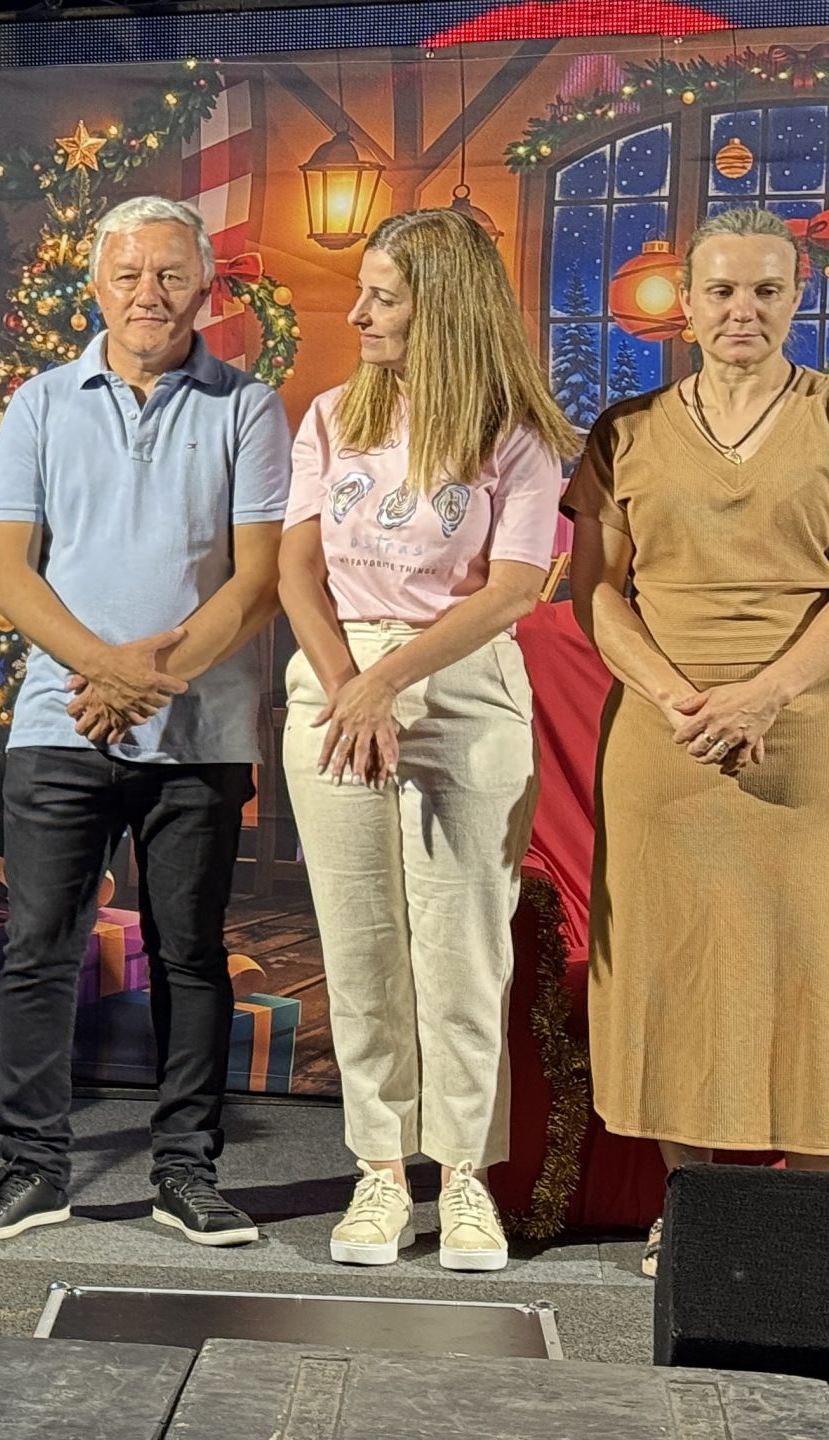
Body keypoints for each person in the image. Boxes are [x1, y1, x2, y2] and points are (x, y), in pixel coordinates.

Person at [0, 195, 289, 1248]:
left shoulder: (248, 407)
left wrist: (154, 679)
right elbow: (8, 573)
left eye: (171, 275)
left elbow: (258, 582)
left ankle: (185, 1173)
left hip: (201, 736)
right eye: (129, 274)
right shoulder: (40, 404)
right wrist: (105, 673)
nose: (149, 294)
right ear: (95, 285)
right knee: (39, 950)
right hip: (61, 723)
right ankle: (32, 1170)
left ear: (205, 289)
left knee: (191, 955)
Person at [277, 207, 577, 1271]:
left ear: (441, 308)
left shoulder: (515, 433)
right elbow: (295, 572)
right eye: (362, 293)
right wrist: (346, 688)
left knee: (462, 949)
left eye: (383, 298)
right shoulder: (330, 417)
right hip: (337, 679)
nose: (357, 314)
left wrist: (388, 682)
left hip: (461, 683)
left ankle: (463, 1179)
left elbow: (512, 590)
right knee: (360, 943)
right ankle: (377, 1173)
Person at [565, 205, 829, 1279]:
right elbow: (595, 589)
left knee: (810, 965)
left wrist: (765, 696)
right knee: (671, 965)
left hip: (806, 736)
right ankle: (695, 1210)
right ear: (686, 305)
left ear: (798, 298)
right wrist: (680, 698)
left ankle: (807, 1217)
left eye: (765, 290)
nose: (741, 311)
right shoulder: (624, 430)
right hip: (663, 740)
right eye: (720, 290)